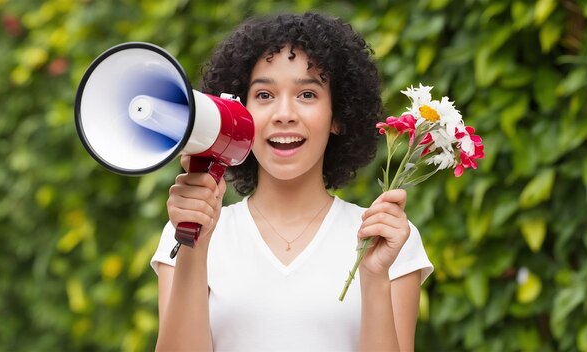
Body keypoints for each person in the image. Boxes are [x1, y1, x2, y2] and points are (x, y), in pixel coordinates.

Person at [150, 11, 433, 352]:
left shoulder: (387, 240)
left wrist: (374, 277)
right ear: (240, 113)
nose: (284, 113)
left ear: (338, 117)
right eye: (264, 96)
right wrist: (194, 247)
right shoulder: (189, 230)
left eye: (307, 95)